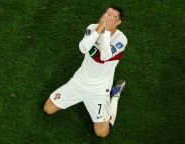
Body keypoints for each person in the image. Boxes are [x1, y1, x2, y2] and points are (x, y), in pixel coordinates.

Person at [43, 5, 127, 138]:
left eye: (113, 16)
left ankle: (115, 96)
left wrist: (106, 32)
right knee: (48, 109)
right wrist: (99, 29)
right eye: (107, 13)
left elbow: (104, 56)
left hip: (99, 91)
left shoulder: (121, 40)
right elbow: (83, 48)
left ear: (118, 22)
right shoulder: (92, 27)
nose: (108, 18)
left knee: (102, 133)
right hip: (79, 82)